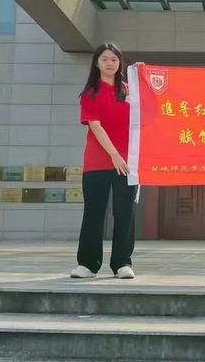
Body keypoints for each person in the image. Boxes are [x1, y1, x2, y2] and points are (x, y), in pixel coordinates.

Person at [70, 43, 137, 280]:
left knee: (125, 214)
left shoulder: (131, 91)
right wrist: (114, 155)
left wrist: (143, 76)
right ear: (97, 63)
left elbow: (153, 107)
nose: (109, 63)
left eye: (114, 59)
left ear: (120, 63)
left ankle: (122, 263)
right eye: (105, 59)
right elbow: (96, 127)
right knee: (94, 213)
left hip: (128, 164)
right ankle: (88, 264)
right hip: (97, 163)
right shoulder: (90, 93)